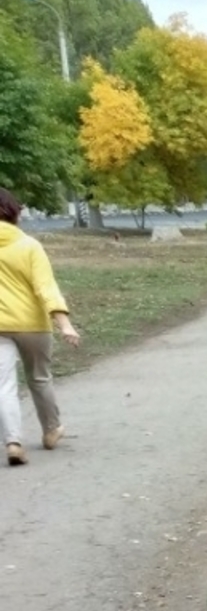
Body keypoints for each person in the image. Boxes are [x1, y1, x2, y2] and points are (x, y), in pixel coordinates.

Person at [0, 188, 80, 467]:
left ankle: (13, 442)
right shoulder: (29, 245)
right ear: (13, 211)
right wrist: (65, 324)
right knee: (40, 378)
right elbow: (46, 287)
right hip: (32, 325)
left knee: (4, 385)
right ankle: (51, 430)